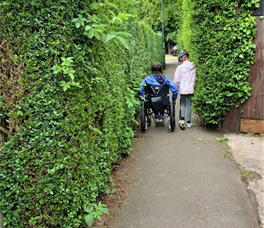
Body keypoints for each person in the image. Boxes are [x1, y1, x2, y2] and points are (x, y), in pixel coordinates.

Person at [173, 50, 196, 129]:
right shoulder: (193, 66)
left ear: (182, 59)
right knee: (189, 105)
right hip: (191, 89)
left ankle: (182, 120)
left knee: (183, 104)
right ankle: (189, 122)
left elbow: (176, 80)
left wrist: (176, 86)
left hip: (183, 89)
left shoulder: (180, 68)